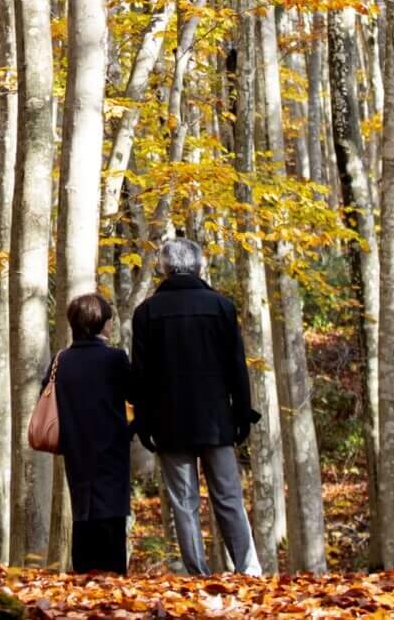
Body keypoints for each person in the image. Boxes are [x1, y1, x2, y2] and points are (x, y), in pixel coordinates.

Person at [129, 236, 258, 576]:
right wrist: (243, 413)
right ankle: (248, 569)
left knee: (184, 503)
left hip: (169, 424)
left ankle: (197, 574)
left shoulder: (146, 313)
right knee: (229, 497)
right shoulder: (221, 307)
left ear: (165, 269)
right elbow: (237, 368)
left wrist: (143, 422)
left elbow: (140, 375)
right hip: (217, 420)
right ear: (200, 266)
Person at [47, 290, 137, 575]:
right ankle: (112, 580)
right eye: (109, 320)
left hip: (75, 447)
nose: (111, 325)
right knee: (111, 515)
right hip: (111, 447)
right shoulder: (114, 358)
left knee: (82, 513)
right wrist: (131, 429)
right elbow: (137, 395)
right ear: (100, 323)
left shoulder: (61, 360)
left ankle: (84, 576)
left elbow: (46, 397)